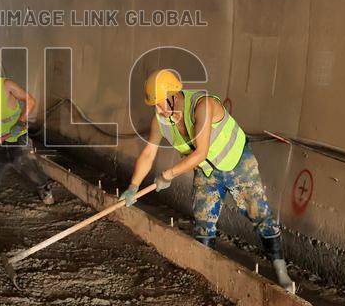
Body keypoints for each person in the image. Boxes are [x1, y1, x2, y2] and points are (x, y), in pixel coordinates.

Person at [120, 69, 295, 291]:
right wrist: (133, 186)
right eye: (154, 105)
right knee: (203, 220)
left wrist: (168, 175)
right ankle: (205, 273)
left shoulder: (203, 105)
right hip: (206, 171)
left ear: (175, 94)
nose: (159, 109)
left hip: (238, 163)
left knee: (259, 214)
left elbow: (200, 152)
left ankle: (281, 273)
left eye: (162, 103)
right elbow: (148, 154)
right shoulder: (160, 120)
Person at [0, 53, 56, 205]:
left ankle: (44, 187)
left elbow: (30, 101)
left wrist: (20, 122)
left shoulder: (7, 85)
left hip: (17, 137)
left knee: (25, 162)